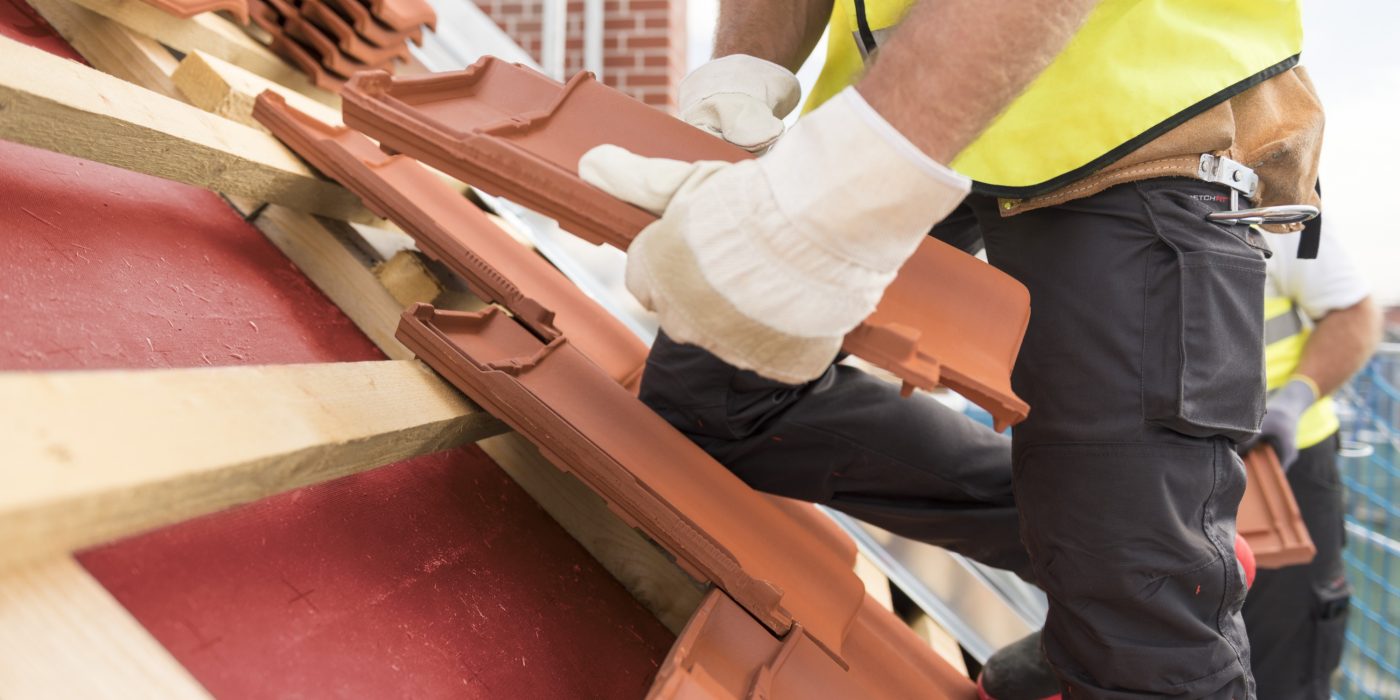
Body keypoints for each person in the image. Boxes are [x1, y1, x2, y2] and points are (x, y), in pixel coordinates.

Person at [579, 1, 1324, 696]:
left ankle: (1132, 556)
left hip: (1130, 121)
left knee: (1144, 633)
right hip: (907, 87)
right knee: (713, 395)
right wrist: (742, 70)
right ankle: (1110, 541)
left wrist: (850, 183)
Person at [1239, 215, 1381, 699]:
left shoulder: (1267, 199)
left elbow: (1355, 316)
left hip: (1281, 470)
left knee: (1284, 665)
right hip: (1153, 473)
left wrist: (1292, 404)